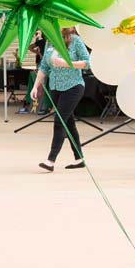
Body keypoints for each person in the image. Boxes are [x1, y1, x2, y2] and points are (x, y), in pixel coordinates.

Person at [31, 26, 91, 172]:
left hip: (73, 86)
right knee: (69, 123)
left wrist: (66, 63)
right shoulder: (49, 41)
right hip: (55, 87)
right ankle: (79, 158)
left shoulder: (75, 40)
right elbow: (44, 66)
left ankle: (51, 160)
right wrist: (35, 86)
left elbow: (86, 62)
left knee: (59, 121)